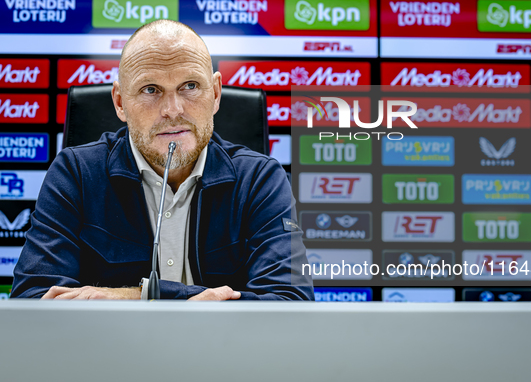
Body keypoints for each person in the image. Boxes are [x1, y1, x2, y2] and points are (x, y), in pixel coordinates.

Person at [11, 20, 313, 301]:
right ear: (120, 102)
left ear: (216, 94)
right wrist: (194, 300)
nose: (172, 109)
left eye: (190, 86)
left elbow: (290, 302)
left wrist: (136, 296)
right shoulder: (75, 173)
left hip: (223, 354)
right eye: (150, 90)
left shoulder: (260, 179)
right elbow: (33, 300)